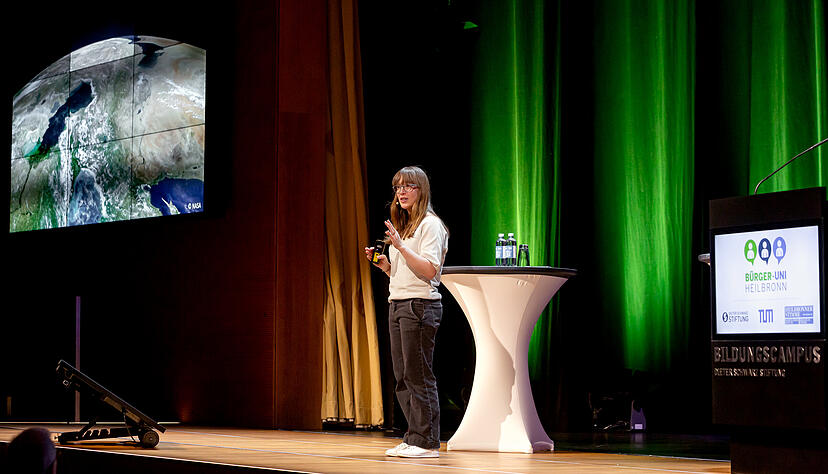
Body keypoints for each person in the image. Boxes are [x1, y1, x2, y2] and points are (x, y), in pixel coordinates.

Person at [364, 166, 448, 458]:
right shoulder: (405, 226)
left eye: (408, 186)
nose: (401, 192)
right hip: (398, 303)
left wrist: (400, 246)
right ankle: (414, 437)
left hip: (420, 306)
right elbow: (407, 273)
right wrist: (386, 266)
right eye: (398, 187)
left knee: (418, 375)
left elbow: (430, 270)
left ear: (421, 190)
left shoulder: (430, 225)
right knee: (402, 376)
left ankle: (427, 442)